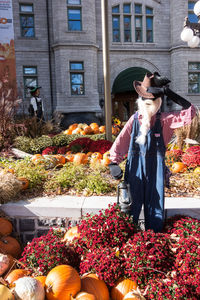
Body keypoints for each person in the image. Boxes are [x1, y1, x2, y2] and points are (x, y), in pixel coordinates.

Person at [109, 72, 196, 233]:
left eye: (152, 100)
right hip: (135, 167)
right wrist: (114, 161)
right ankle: (129, 235)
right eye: (145, 99)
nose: (148, 103)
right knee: (131, 203)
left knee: (155, 203)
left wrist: (169, 92)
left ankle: (153, 238)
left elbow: (190, 112)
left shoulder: (165, 120)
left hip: (156, 168)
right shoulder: (134, 119)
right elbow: (121, 140)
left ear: (158, 102)